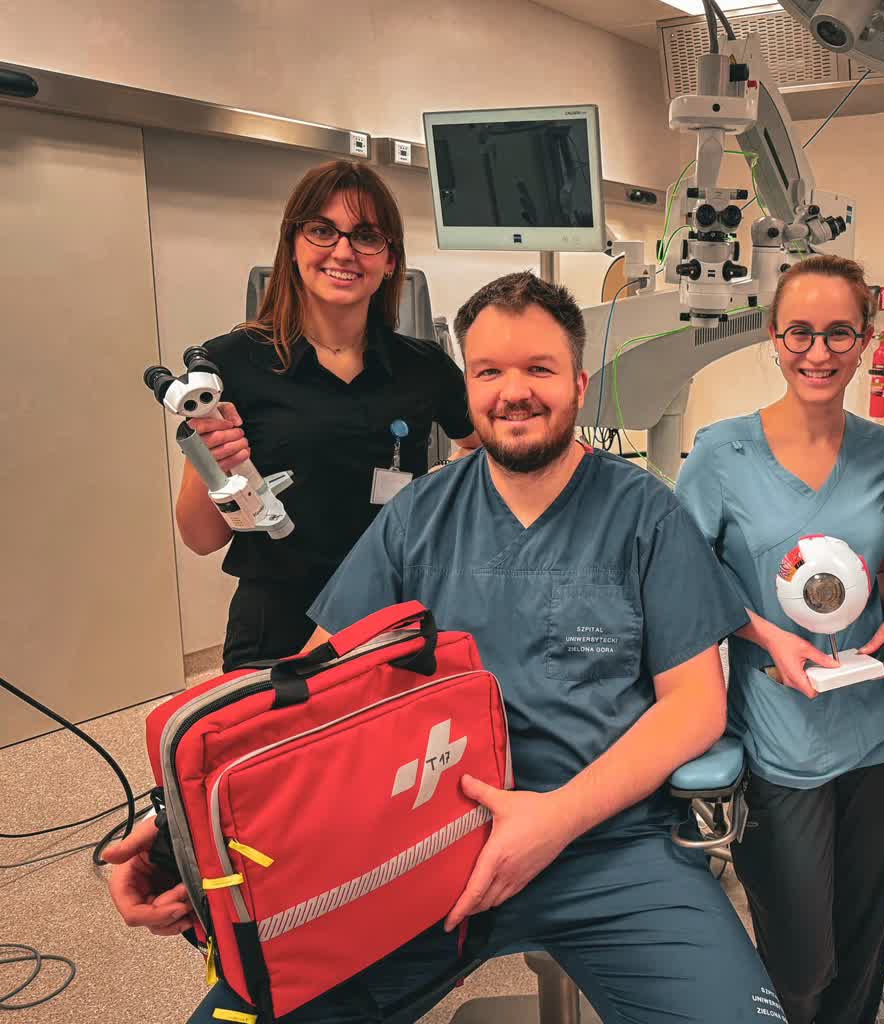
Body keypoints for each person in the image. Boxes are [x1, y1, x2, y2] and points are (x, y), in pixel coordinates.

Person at [105, 271, 778, 1024]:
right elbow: (317, 690)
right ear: (469, 388)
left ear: (579, 384)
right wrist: (177, 829)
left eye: (539, 369)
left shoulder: (644, 512)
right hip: (419, 842)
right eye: (489, 372)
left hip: (606, 842)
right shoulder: (418, 516)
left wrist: (554, 819)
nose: (513, 392)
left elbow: (694, 706)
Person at [675, 255, 884, 1024]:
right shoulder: (721, 455)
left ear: (866, 338)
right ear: (774, 337)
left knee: (861, 941)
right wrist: (764, 636)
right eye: (800, 333)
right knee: (799, 955)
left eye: (839, 333)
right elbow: (685, 581)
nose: (819, 352)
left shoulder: (882, 453)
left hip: (880, 728)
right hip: (783, 739)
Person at [176, 159, 479, 672]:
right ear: (292, 245)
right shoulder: (229, 364)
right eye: (322, 230)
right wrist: (217, 467)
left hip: (392, 616)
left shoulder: (424, 367)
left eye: (366, 236)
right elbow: (201, 539)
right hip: (277, 626)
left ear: (391, 260)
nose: (343, 251)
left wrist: (434, 501)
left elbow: (478, 447)